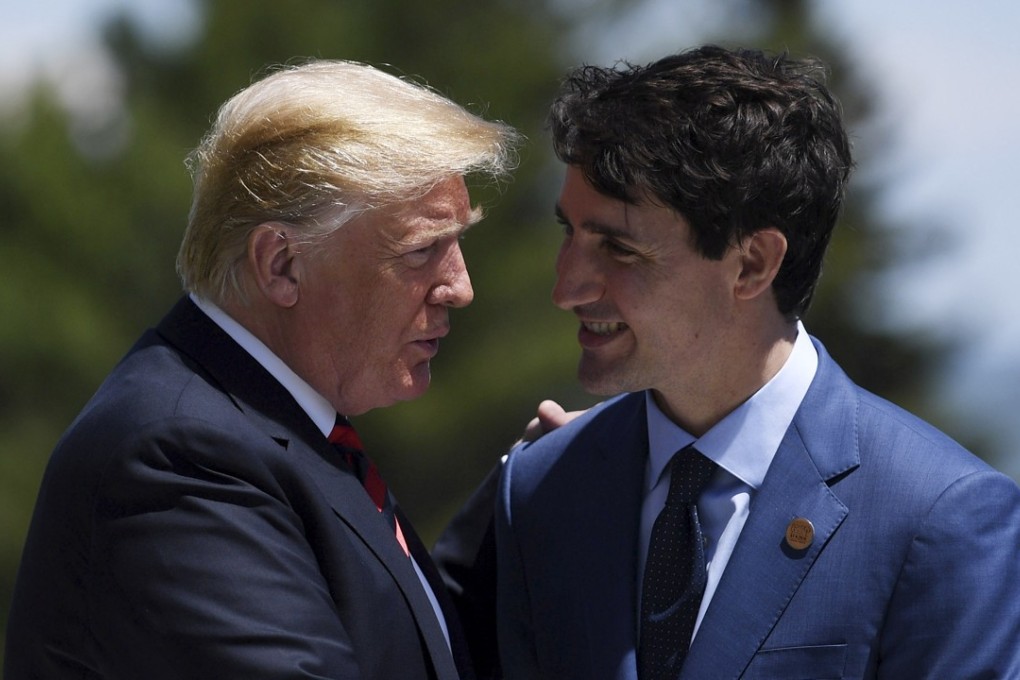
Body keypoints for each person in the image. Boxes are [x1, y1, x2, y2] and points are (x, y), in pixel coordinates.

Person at [494, 45, 1020, 679]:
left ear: (752, 265)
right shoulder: (540, 487)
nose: (566, 288)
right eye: (569, 232)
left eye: (620, 249)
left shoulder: (941, 517)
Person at [5, 59, 518, 679]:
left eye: (457, 243)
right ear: (281, 265)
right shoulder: (179, 457)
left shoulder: (263, 425)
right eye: (421, 249)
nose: (460, 287)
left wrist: (538, 484)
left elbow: (402, 640)